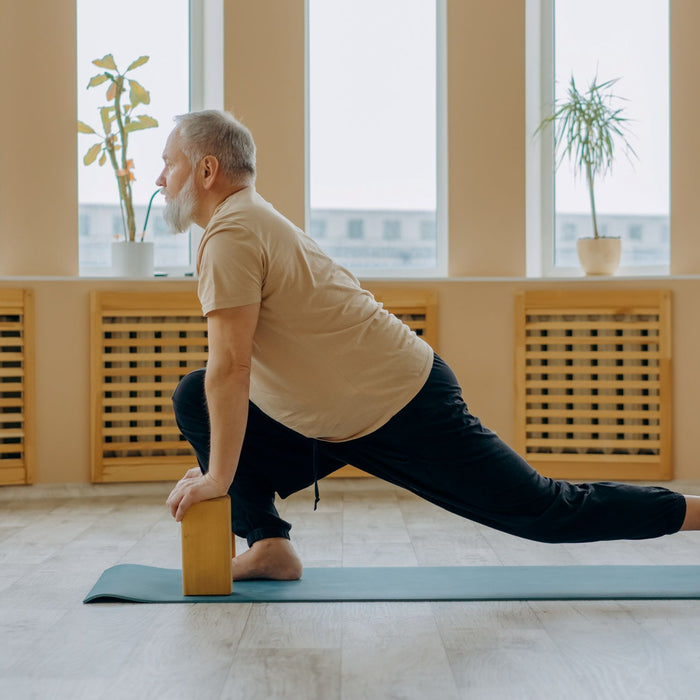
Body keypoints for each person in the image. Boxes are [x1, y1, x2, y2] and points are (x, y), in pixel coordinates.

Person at [160, 110, 700, 581]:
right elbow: (226, 374)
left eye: (170, 163)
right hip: (327, 415)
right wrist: (222, 473)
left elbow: (231, 368)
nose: (161, 179)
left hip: (402, 403)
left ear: (207, 170)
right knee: (193, 397)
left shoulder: (232, 234)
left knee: (546, 509)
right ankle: (269, 545)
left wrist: (217, 478)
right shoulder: (246, 221)